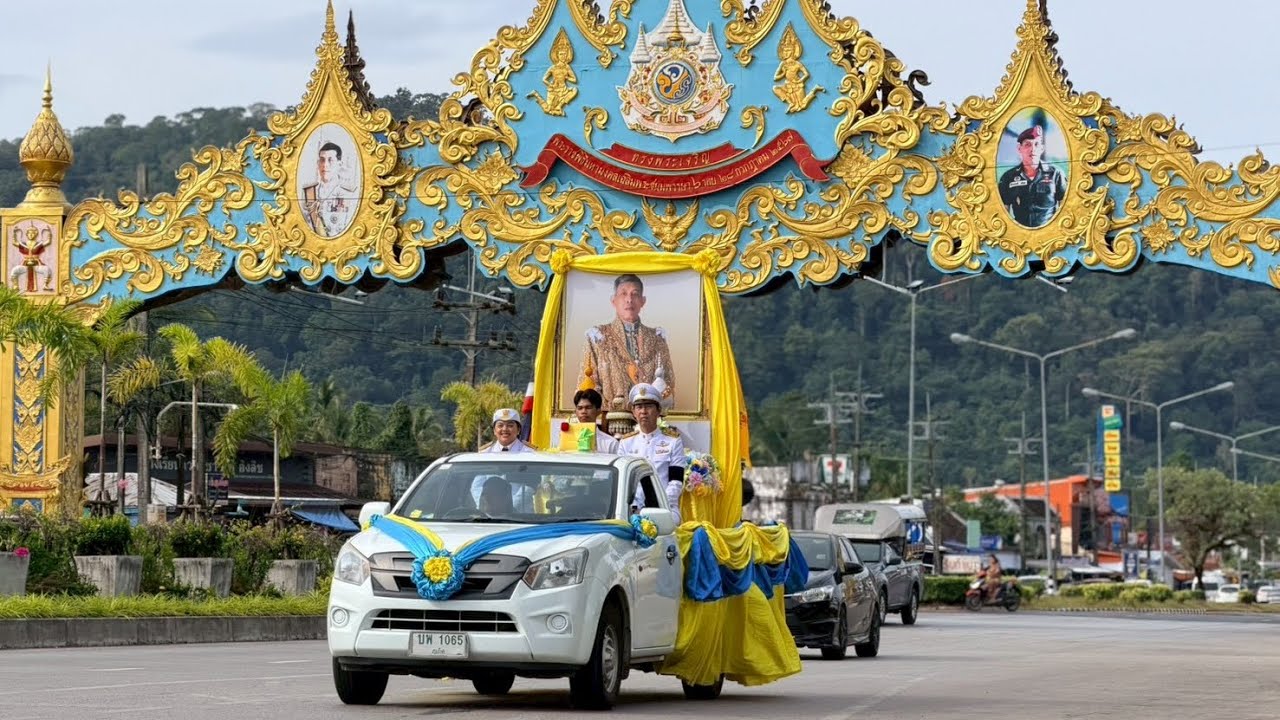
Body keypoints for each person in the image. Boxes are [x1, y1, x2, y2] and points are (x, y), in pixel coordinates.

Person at [578, 274, 676, 411]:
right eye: (623, 294)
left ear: (643, 301)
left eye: (635, 294)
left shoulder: (657, 339)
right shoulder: (598, 337)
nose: (629, 300)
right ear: (613, 301)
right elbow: (588, 384)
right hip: (611, 421)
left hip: (649, 420)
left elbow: (668, 383)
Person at [618, 383, 686, 522]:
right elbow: (622, 479)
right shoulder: (626, 443)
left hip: (665, 508)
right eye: (639, 407)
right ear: (633, 411)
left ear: (658, 410)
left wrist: (660, 504)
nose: (643, 411)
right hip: (632, 509)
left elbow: (676, 481)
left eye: (648, 406)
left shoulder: (673, 441)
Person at [997, 125, 1066, 229]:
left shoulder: (1056, 174)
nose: (1032, 149)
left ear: (1042, 148)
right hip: (1020, 235)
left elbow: (1065, 210)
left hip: (1051, 234)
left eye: (1036, 144)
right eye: (1027, 145)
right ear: (1019, 149)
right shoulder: (1008, 177)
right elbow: (1003, 214)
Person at [474, 408, 536, 511]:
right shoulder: (484, 454)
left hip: (522, 514)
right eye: (500, 425)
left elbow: (531, 485)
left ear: (519, 430)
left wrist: (510, 507)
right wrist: (484, 505)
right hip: (488, 515)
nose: (505, 429)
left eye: (510, 425)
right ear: (494, 430)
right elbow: (476, 485)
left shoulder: (530, 454)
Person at [301, 141, 357, 237]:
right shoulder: (308, 193)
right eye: (322, 160)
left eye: (330, 160)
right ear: (318, 163)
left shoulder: (349, 193)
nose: (325, 165)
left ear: (339, 164)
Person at [566, 387, 621, 453]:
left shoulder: (610, 443)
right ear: (576, 412)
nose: (583, 411)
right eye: (580, 408)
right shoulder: (568, 440)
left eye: (588, 407)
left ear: (598, 410)